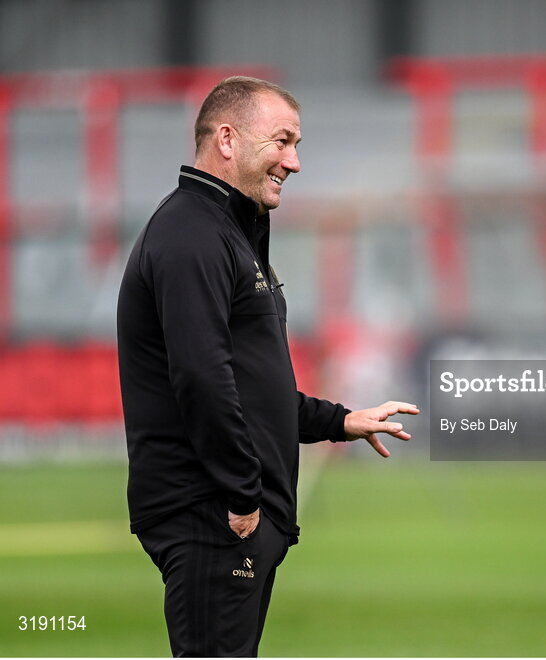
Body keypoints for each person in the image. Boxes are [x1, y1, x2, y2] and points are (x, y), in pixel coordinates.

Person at [117, 76, 419, 657]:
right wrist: (241, 498)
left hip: (226, 511)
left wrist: (340, 421)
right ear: (227, 139)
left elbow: (253, 387)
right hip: (211, 511)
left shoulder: (225, 230)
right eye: (281, 141)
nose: (295, 161)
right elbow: (203, 378)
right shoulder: (192, 234)